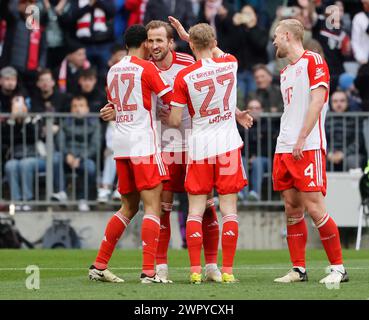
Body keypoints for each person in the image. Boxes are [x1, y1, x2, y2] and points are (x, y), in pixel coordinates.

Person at [167, 20, 251, 283]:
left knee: (195, 210)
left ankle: (194, 271)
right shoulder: (230, 64)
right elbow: (214, 50)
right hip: (227, 146)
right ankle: (227, 271)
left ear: (190, 45)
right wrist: (196, 38)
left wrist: (167, 113)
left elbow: (174, 120)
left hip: (200, 148)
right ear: (214, 43)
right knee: (229, 210)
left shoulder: (184, 76)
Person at [89, 25, 173, 284]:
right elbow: (170, 98)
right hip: (143, 144)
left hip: (121, 145)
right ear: (144, 44)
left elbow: (113, 105)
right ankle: (149, 272)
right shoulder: (147, 68)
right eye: (150, 42)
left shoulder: (113, 69)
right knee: (153, 207)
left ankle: (100, 265)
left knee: (128, 206)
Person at [272, 18, 348, 284]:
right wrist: (288, 141)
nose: (274, 42)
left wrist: (302, 138)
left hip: (307, 146)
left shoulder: (313, 61)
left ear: (288, 36)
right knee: (291, 209)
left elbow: (318, 101)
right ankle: (298, 269)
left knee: (315, 208)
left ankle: (338, 267)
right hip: (284, 147)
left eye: (276, 37)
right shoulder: (285, 72)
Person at [57, 96, 100, 212]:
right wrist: (67, 155)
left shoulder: (94, 123)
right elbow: (60, 141)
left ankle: (83, 199)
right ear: (71, 109)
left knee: (90, 167)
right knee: (56, 159)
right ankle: (61, 193)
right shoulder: (65, 122)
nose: (78, 109)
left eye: (81, 106)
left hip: (84, 158)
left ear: (87, 109)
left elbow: (95, 145)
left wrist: (80, 158)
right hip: (67, 157)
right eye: (75, 106)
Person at [325, 90, 366, 171]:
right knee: (320, 161)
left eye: (342, 101)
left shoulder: (355, 118)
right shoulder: (325, 119)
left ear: (348, 102)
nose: (338, 104)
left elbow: (358, 142)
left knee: (353, 161)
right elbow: (321, 140)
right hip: (329, 154)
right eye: (335, 101)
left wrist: (343, 153)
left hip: (350, 154)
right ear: (331, 103)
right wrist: (329, 153)